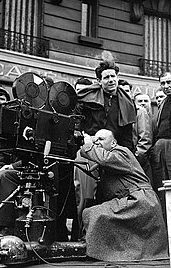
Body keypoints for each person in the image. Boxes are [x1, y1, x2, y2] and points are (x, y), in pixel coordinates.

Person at [74, 51, 136, 237]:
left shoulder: (126, 102)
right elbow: (77, 119)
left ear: (118, 78)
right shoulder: (87, 97)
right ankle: (81, 236)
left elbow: (127, 134)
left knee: (110, 194)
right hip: (89, 150)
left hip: (112, 152)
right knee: (85, 196)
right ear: (99, 81)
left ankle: (105, 236)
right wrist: (82, 136)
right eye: (106, 77)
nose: (111, 80)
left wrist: (125, 155)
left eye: (113, 76)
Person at [81, 129, 168, 261]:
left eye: (101, 139)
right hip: (134, 201)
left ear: (114, 142)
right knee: (92, 212)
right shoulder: (109, 157)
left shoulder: (122, 152)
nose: (97, 143)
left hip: (141, 201)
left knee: (93, 214)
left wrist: (88, 144)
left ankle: (108, 253)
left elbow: (104, 158)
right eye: (95, 140)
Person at [151, 71, 171, 220]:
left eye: (169, 82)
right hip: (160, 147)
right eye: (163, 83)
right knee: (161, 185)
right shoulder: (164, 102)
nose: (166, 86)